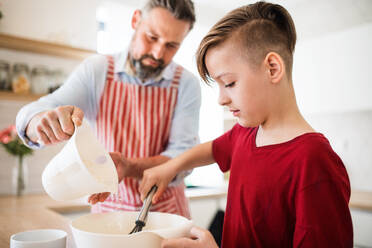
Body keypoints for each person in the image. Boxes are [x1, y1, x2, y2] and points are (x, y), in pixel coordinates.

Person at [139, 1, 353, 247]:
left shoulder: (314, 161)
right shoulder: (245, 133)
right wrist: (170, 167)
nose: (221, 99)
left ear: (272, 68)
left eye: (229, 83)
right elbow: (212, 150)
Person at [16, 0, 201, 218]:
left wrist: (128, 166)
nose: (158, 54)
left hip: (166, 214)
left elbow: (183, 157)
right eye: (152, 38)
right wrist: (39, 121)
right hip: (109, 212)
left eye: (172, 46)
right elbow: (36, 111)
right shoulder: (97, 71)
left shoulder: (186, 84)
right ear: (135, 20)